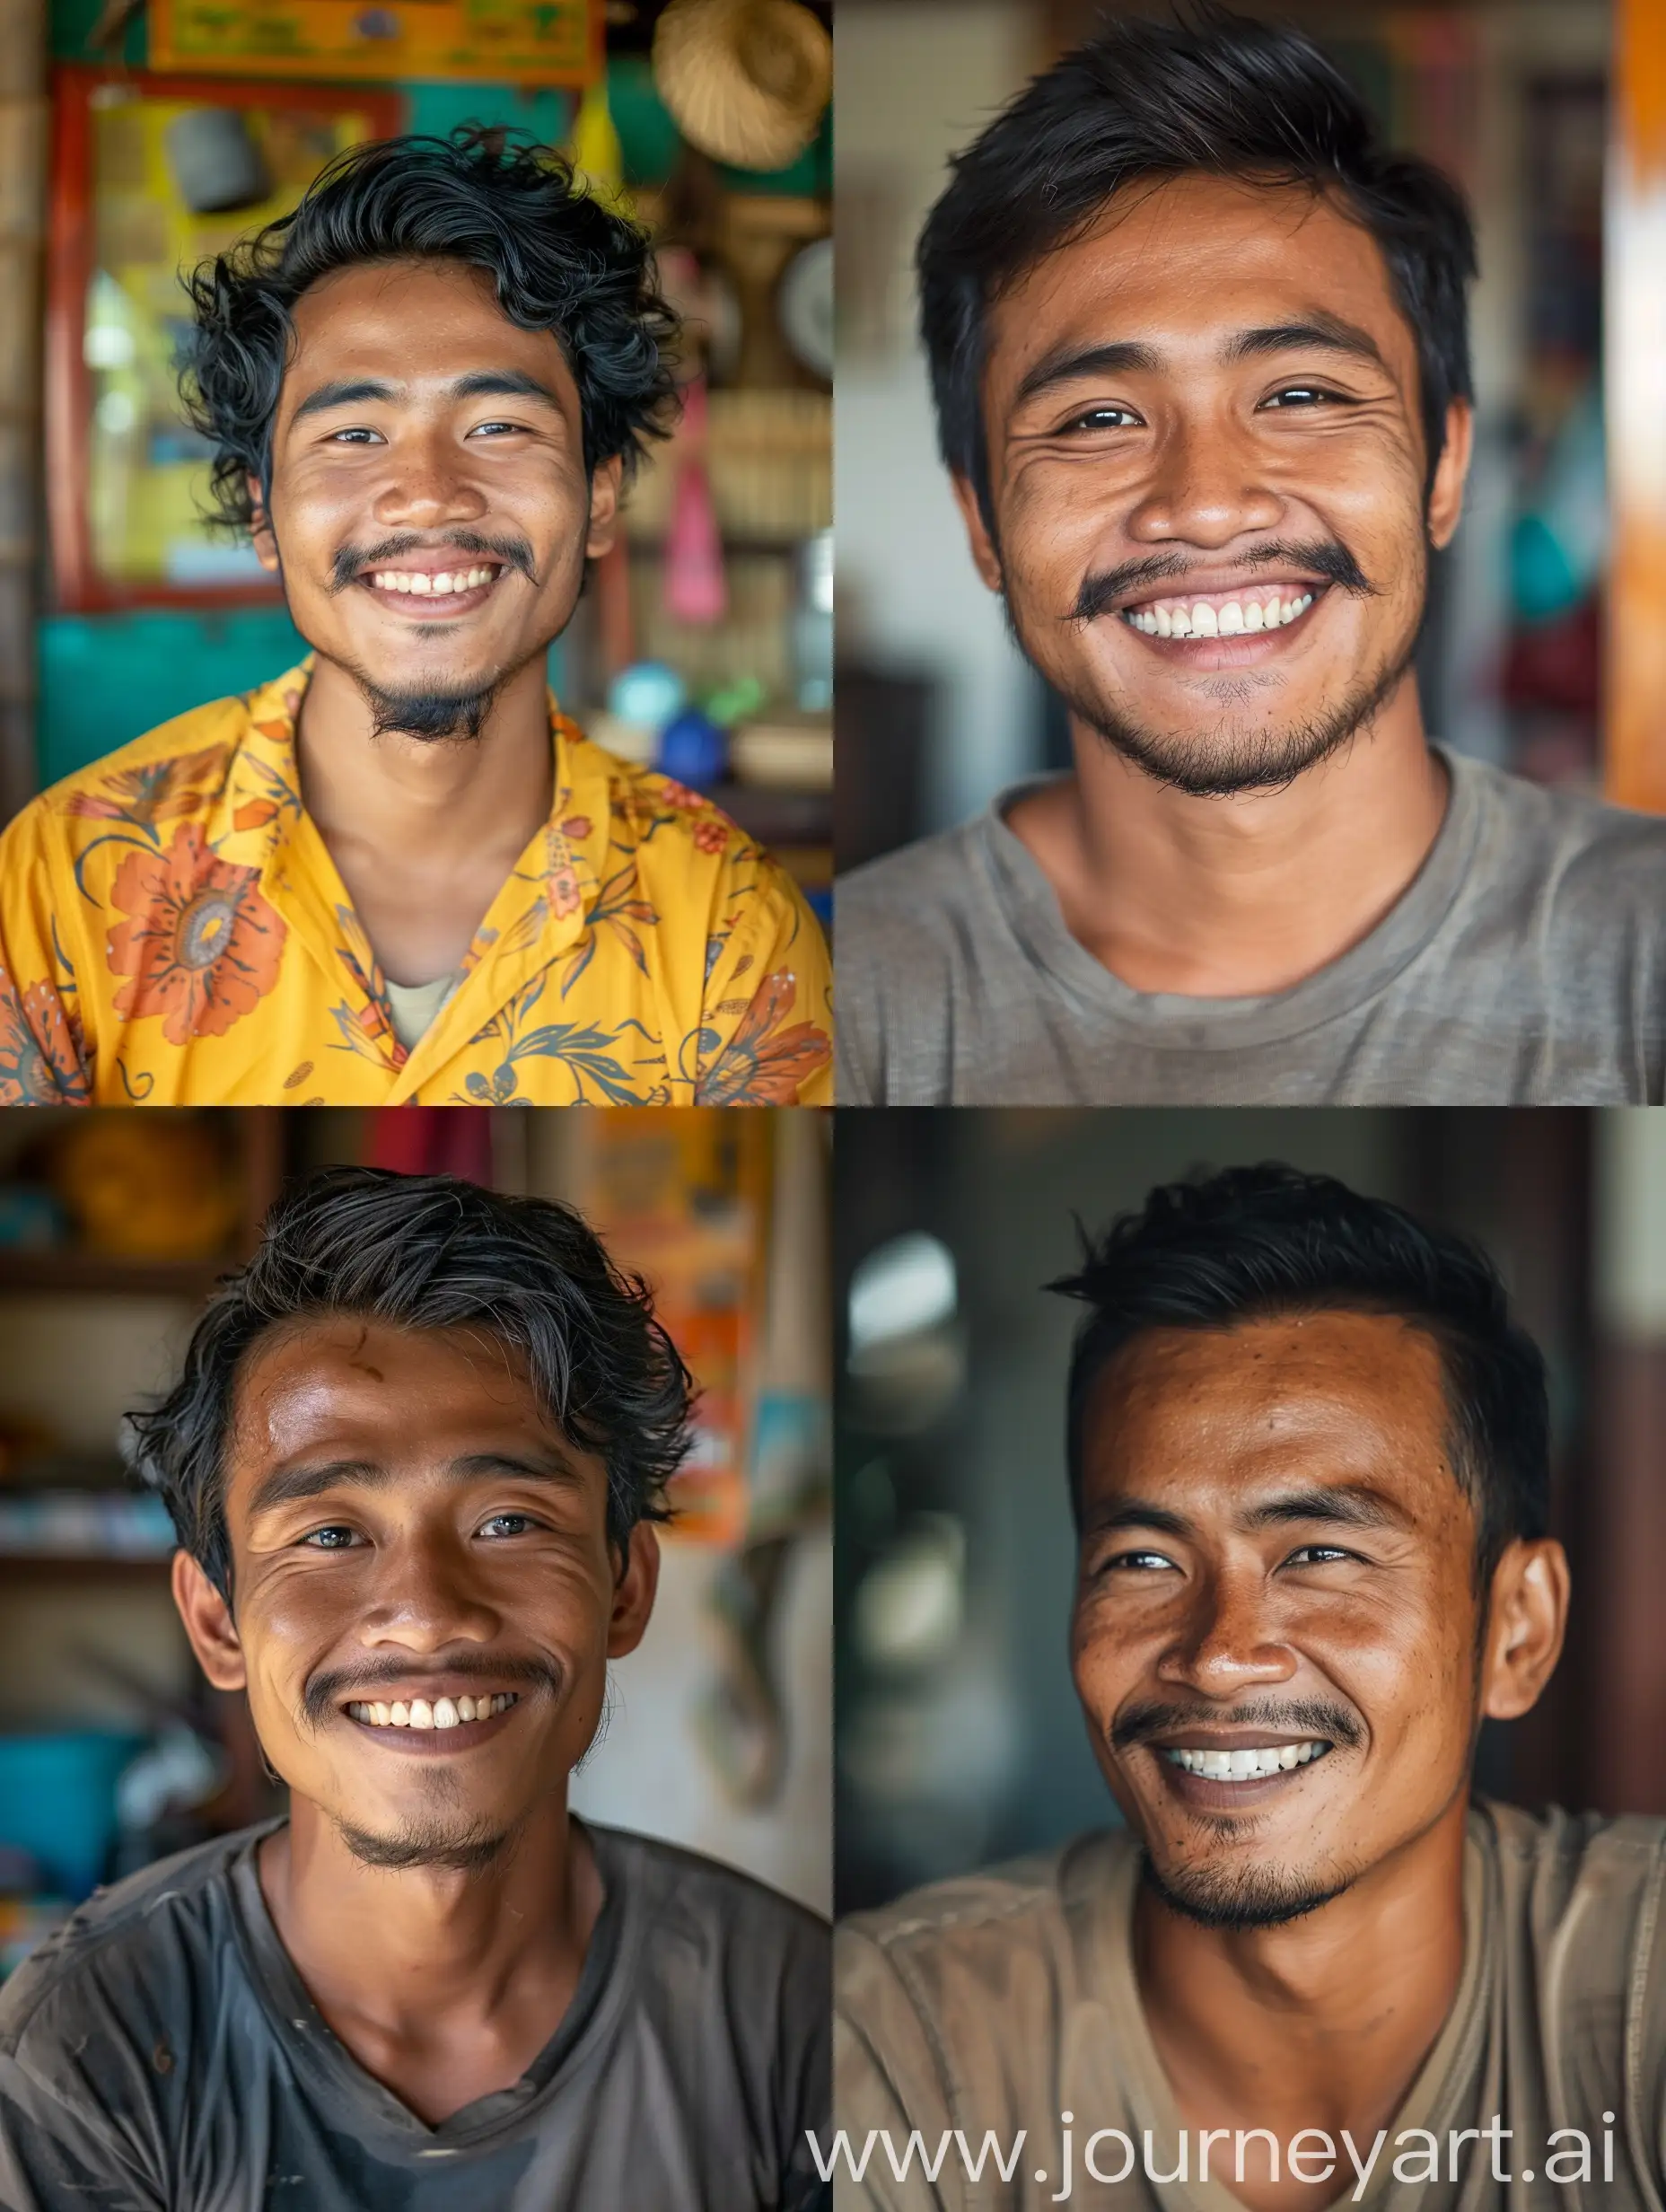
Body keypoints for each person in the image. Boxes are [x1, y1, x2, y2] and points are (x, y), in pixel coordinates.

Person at [835, 11, 1666, 1105]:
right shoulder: (835, 1001)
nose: (1208, 505)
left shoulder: (1637, 951)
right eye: (1095, 418)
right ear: (982, 521)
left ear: (1445, 465)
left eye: (1302, 396)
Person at [835, 1164, 1666, 2210]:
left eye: (1320, 1553)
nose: (1218, 1653)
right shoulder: (894, 2047)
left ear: (1516, 1629)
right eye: (1142, 1560)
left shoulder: (1635, 1999)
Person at [0, 1168, 830, 2210]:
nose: (428, 1611)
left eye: (507, 1522)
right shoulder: (90, 2043)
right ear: (218, 1620)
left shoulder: (797, 2016)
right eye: (331, 1535)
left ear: (624, 1588)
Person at [0, 130, 831, 1107]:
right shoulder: (61, 879)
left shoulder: (730, 924)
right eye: (353, 434)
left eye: (498, 428)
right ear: (262, 514)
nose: (428, 496)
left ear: (600, 497)